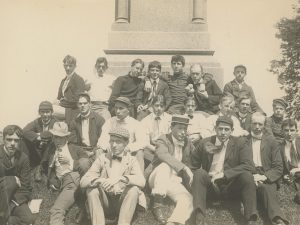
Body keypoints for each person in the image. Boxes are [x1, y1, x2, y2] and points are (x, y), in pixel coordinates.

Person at [191, 116, 257, 225]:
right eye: (220, 129)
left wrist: (224, 174)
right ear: (215, 129)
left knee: (247, 176)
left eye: (226, 129)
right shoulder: (204, 143)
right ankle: (199, 218)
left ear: (232, 131)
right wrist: (194, 179)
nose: (223, 132)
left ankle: (251, 220)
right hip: (211, 186)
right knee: (199, 173)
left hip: (231, 186)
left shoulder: (240, 143)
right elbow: (192, 165)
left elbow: (249, 165)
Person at [80, 127, 146, 225]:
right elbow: (83, 181)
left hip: (123, 203)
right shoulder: (102, 158)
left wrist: (120, 179)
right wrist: (100, 180)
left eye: (118, 142)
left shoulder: (132, 160)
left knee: (134, 190)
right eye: (111, 141)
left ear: (126, 143)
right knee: (92, 190)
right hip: (105, 203)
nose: (113, 145)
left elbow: (142, 181)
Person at [149, 115, 194, 225]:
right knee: (166, 165)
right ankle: (157, 204)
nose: (183, 132)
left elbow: (196, 157)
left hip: (174, 180)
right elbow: (162, 154)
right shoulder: (163, 139)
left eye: (185, 128)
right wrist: (184, 167)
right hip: (157, 178)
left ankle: (174, 221)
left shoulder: (187, 142)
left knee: (187, 198)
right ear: (171, 127)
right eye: (180, 128)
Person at [245, 112, 288, 225]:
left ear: (264, 125)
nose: (257, 127)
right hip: (249, 173)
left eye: (260, 124)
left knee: (267, 189)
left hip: (266, 173)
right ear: (250, 124)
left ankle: (277, 219)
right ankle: (251, 219)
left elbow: (278, 166)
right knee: (248, 186)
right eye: (254, 124)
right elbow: (240, 163)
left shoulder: (271, 141)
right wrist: (252, 176)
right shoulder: (243, 141)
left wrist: (264, 176)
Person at [48, 122, 88, 225]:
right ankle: (85, 207)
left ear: (66, 137)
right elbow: (48, 168)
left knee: (57, 210)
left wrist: (70, 162)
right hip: (64, 181)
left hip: (73, 179)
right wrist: (52, 181)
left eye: (61, 137)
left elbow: (87, 164)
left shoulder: (75, 149)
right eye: (56, 137)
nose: (57, 140)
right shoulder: (51, 150)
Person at [97, 97, 147, 171]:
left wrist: (129, 148)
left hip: (127, 154)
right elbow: (102, 139)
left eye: (121, 108)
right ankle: (97, 176)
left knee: (140, 152)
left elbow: (142, 142)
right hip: (111, 152)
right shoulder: (110, 122)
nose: (117, 111)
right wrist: (107, 146)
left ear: (128, 109)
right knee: (99, 150)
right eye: (116, 108)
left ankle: (139, 179)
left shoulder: (135, 124)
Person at [0, 125, 35, 225]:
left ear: (20, 141)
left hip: (15, 198)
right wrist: (13, 179)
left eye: (16, 140)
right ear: (3, 139)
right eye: (9, 139)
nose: (12, 143)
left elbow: (25, 185)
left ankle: (5, 220)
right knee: (11, 181)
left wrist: (12, 204)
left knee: (28, 220)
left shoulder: (23, 158)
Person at [23, 101, 57, 181]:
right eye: (42, 112)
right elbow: (24, 131)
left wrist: (40, 135)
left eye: (47, 112)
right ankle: (25, 165)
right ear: (39, 112)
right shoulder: (36, 122)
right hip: (39, 148)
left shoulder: (55, 122)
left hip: (50, 151)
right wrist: (37, 137)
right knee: (24, 140)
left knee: (52, 143)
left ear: (51, 112)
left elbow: (52, 133)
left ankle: (40, 167)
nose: (45, 115)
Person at [140, 95, 172, 163]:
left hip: (166, 149)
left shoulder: (170, 119)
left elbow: (171, 138)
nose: (159, 108)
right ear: (152, 106)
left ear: (165, 107)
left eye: (162, 106)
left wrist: (164, 150)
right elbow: (145, 142)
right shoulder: (145, 121)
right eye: (156, 105)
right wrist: (155, 150)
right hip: (151, 149)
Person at [56, 55, 86, 125]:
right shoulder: (63, 81)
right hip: (63, 109)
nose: (68, 68)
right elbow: (59, 97)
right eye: (66, 66)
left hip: (72, 110)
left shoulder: (79, 79)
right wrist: (57, 101)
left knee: (46, 110)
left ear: (75, 66)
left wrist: (59, 103)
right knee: (45, 108)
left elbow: (77, 100)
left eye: (70, 66)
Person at [280, 119, 300, 204]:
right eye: (286, 130)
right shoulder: (279, 147)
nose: (289, 133)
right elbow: (279, 165)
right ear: (282, 131)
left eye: (292, 130)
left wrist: (297, 169)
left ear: (296, 131)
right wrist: (284, 175)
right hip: (294, 178)